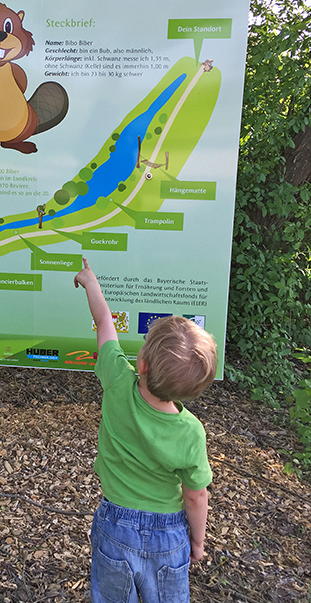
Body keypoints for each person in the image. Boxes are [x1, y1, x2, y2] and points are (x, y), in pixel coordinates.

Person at [74, 258, 217, 603]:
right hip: (169, 534)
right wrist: (196, 542)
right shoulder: (190, 431)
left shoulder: (118, 381)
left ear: (141, 363)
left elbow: (104, 323)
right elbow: (196, 495)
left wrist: (91, 283)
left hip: (114, 525)